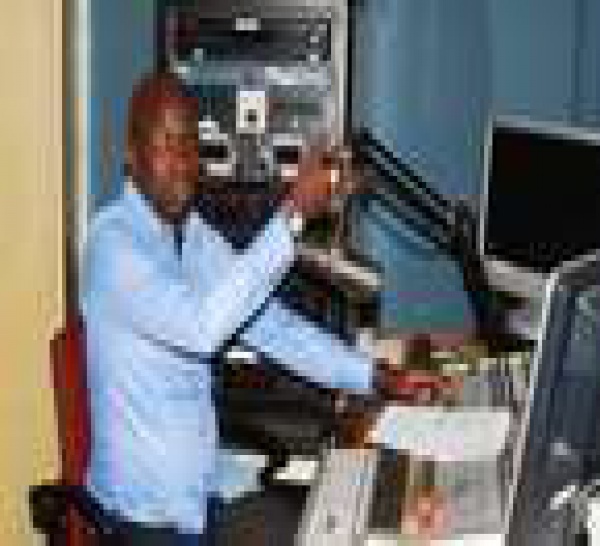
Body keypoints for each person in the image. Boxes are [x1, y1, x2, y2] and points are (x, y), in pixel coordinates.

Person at [81, 69, 438, 545]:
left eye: (191, 143)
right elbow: (201, 329)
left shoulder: (191, 236)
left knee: (334, 533)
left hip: (204, 497)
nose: (184, 160)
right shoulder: (113, 247)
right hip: (145, 524)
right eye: (166, 142)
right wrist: (292, 215)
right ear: (131, 153)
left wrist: (375, 377)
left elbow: (270, 326)